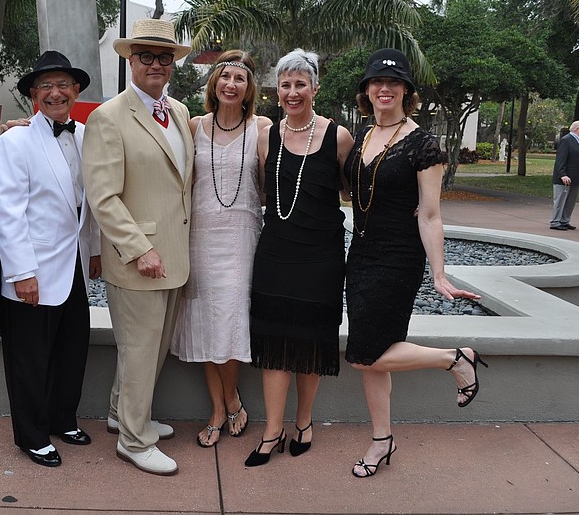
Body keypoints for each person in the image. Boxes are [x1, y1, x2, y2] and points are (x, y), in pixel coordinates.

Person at [343, 48, 485, 478]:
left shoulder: (424, 144)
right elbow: (355, 193)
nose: (384, 89)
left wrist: (438, 272)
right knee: (378, 350)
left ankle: (455, 359)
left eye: (394, 83)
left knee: (364, 356)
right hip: (361, 254)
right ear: (366, 91)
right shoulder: (363, 135)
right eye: (376, 82)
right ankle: (382, 440)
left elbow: (430, 212)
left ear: (407, 90)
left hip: (398, 259)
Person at [82, 18, 193, 476]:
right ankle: (133, 438)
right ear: (130, 60)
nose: (155, 64)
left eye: (164, 56)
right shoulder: (108, 117)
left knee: (149, 349)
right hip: (139, 260)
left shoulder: (180, 112)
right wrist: (137, 248)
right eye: (145, 55)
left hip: (175, 255)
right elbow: (102, 196)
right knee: (141, 349)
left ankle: (121, 413)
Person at [243, 49, 355, 467]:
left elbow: (354, 191)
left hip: (321, 256)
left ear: (315, 87)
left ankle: (304, 422)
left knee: (310, 342)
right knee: (273, 342)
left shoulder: (337, 136)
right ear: (277, 91)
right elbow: (258, 187)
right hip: (275, 252)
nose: (292, 92)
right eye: (285, 85)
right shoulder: (265, 134)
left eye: (300, 84)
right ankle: (273, 428)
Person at [0, 50, 102, 468]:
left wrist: (92, 251)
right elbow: (9, 211)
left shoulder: (85, 134)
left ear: (76, 90)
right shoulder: (15, 140)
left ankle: (62, 417)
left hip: (73, 264)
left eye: (63, 85)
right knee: (29, 357)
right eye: (46, 86)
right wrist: (21, 272)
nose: (56, 93)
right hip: (32, 269)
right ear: (34, 94)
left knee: (73, 347)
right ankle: (32, 434)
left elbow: (87, 205)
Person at [170, 50, 271, 448]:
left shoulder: (262, 127)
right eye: (224, 76)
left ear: (249, 90)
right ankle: (223, 406)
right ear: (214, 83)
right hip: (200, 236)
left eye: (240, 79)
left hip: (242, 236)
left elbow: (279, 170)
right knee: (205, 322)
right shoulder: (193, 125)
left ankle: (230, 400)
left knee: (229, 319)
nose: (231, 84)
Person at [550, 121, 579, 231]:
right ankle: (556, 221)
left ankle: (565, 220)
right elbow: (560, 160)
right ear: (576, 129)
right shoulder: (566, 140)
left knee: (571, 201)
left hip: (577, 177)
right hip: (565, 177)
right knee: (560, 200)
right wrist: (563, 174)